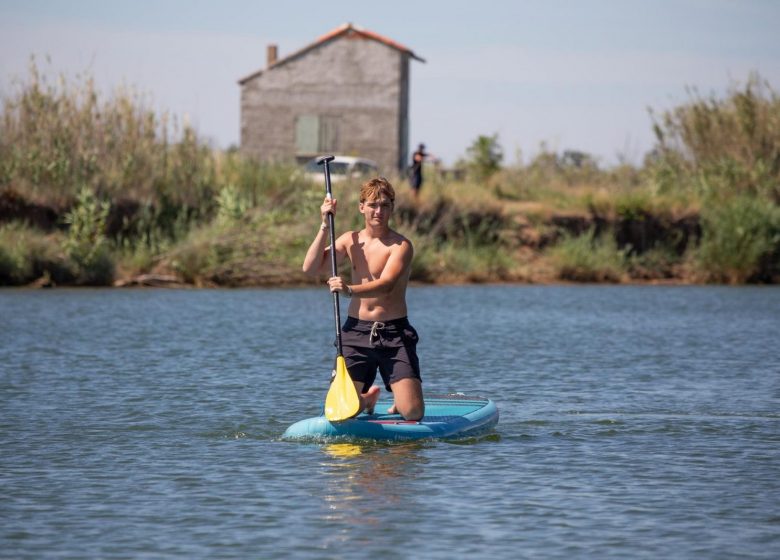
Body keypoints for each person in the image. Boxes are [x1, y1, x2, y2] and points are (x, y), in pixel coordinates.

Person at [302, 177, 424, 421]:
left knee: (413, 413)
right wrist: (324, 226)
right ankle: (368, 399)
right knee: (340, 413)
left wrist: (349, 290)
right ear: (361, 207)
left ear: (392, 207)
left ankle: (401, 402)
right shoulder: (350, 240)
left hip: (394, 333)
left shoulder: (401, 245)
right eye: (372, 205)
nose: (378, 211)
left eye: (385, 205)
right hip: (355, 333)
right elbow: (311, 267)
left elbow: (387, 285)